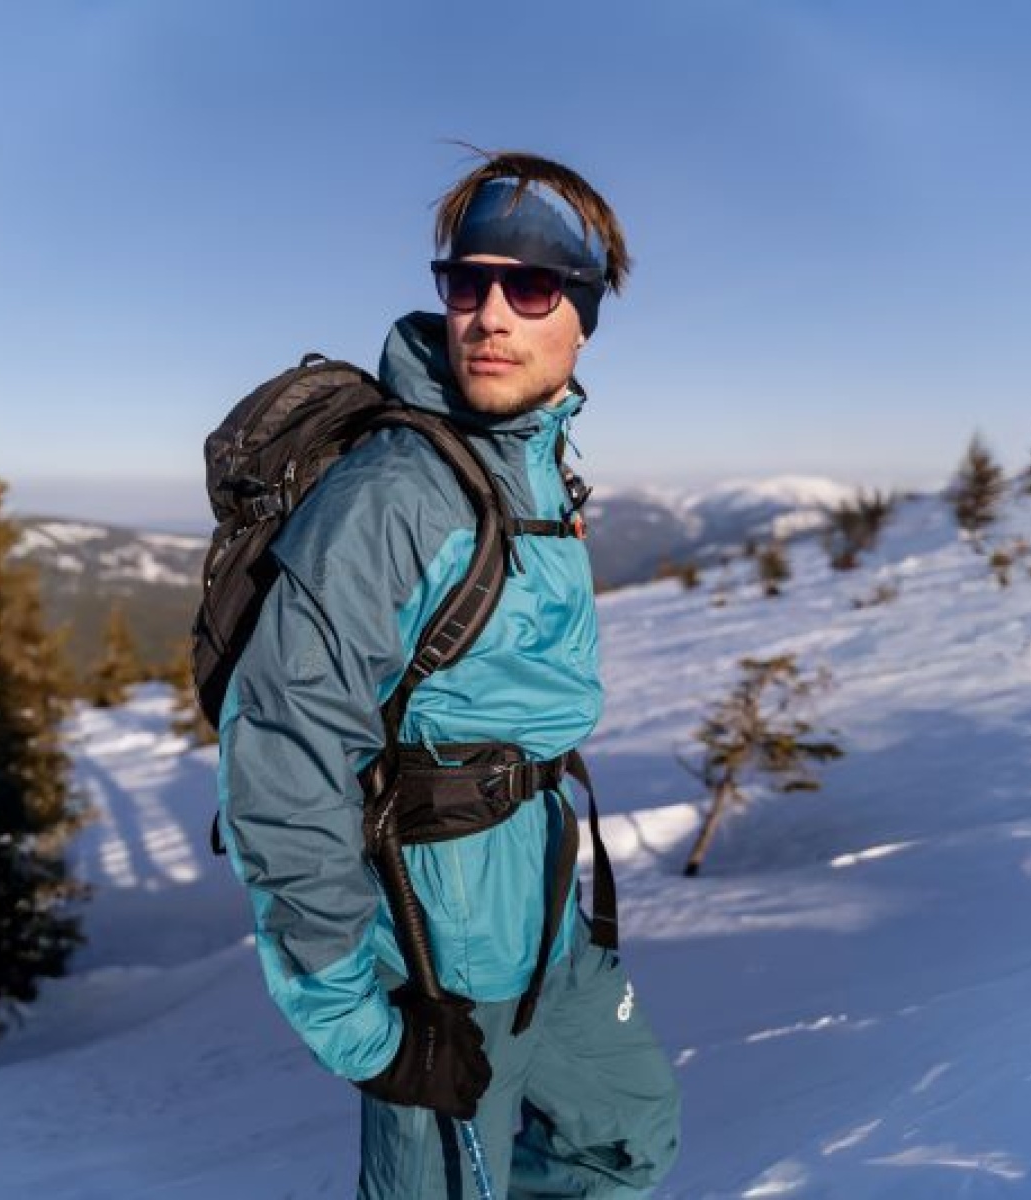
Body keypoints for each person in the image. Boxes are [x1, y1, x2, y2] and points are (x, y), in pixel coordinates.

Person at [215, 150, 681, 1198]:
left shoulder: (528, 463)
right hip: (436, 949)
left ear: (583, 314)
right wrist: (362, 1026)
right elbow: (281, 753)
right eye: (467, 283)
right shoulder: (396, 495)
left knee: (622, 1135)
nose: (489, 316)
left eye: (531, 287)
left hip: (543, 911)